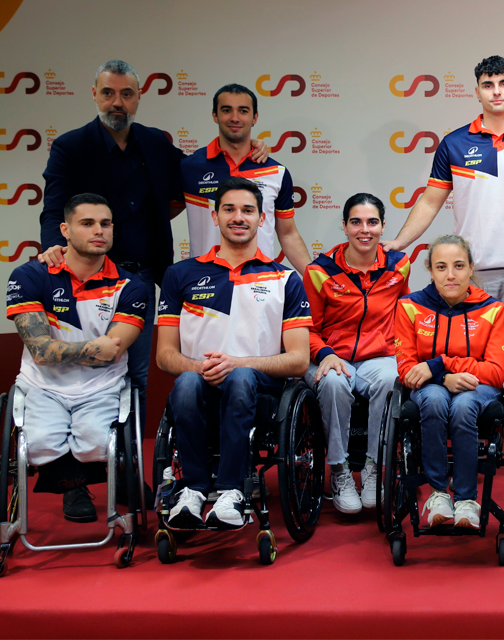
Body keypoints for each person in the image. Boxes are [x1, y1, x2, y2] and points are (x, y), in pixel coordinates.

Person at [39, 61, 268, 425]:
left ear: (138, 98)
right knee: (84, 375)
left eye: (126, 94)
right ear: (94, 95)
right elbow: (54, 208)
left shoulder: (155, 144)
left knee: (137, 379)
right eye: (109, 93)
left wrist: (245, 149)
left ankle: (133, 472)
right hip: (85, 279)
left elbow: (201, 171)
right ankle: (86, 470)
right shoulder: (70, 146)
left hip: (143, 279)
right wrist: (53, 244)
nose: (118, 102)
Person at [382, 56, 504, 490]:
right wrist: (400, 242)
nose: (497, 91)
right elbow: (430, 201)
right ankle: (462, 451)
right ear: (478, 91)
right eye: (488, 84)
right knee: (471, 367)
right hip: (472, 279)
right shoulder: (454, 142)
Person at [157, 178, 310, 529]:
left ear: (261, 219)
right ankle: (192, 491)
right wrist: (200, 367)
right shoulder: (180, 274)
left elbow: (299, 360)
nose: (238, 217)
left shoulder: (285, 278)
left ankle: (231, 491)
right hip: (199, 385)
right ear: (214, 217)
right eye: (229, 209)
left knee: (239, 377)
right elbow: (165, 355)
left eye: (247, 210)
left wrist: (237, 363)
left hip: (261, 393)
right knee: (185, 382)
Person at [7, 193, 146, 522]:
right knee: (38, 448)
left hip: (102, 387)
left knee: (97, 448)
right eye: (87, 223)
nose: (99, 230)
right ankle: (72, 488)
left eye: (105, 224)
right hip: (43, 387)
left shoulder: (131, 285)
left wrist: (66, 351)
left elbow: (109, 355)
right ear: (65, 230)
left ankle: (102, 484)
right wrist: (91, 348)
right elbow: (40, 352)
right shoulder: (30, 276)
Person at [394, 235, 504, 529]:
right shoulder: (409, 306)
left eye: (459, 266)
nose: (450, 275)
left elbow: (495, 372)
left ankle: (467, 500)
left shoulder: (494, 309)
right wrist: (445, 378)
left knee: (463, 407)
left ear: (471, 268)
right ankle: (438, 495)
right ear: (430, 270)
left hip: (476, 388)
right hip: (433, 388)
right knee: (434, 400)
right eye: (441, 267)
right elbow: (407, 370)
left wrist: (441, 364)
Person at [304, 193, 409, 513]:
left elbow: (406, 316)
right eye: (356, 222)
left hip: (379, 356)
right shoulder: (319, 271)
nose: (365, 229)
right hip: (330, 355)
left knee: (392, 378)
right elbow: (305, 328)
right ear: (345, 226)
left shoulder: (399, 265)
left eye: (372, 222)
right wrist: (324, 354)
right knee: (334, 382)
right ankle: (339, 471)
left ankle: (376, 467)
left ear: (383, 227)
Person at [180, 83, 311, 270]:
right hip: (205, 283)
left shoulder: (276, 172)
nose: (235, 118)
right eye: (226, 110)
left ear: (254, 117)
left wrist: (317, 280)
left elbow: (288, 235)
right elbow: (161, 216)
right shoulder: (189, 167)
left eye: (243, 111)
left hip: (261, 284)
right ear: (215, 116)